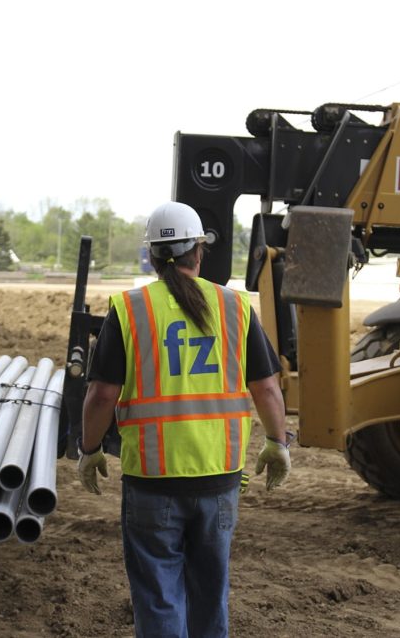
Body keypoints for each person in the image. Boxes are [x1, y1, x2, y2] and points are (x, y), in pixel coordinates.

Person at [77, 200, 291, 638]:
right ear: (199, 250)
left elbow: (101, 395)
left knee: (158, 599)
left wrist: (90, 449)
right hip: (218, 481)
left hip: (151, 483)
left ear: (153, 256)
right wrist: (277, 442)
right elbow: (267, 388)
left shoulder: (129, 310)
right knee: (210, 597)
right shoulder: (234, 306)